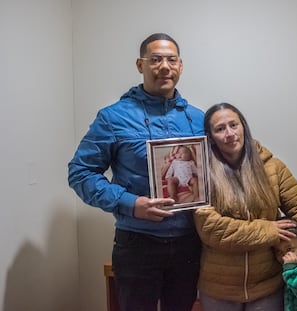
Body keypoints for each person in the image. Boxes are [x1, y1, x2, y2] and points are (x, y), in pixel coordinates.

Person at [68, 33, 204, 311]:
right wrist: (130, 204)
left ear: (180, 66)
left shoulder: (199, 118)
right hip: (137, 243)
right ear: (140, 65)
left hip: (190, 243)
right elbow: (80, 173)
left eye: (171, 59)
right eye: (155, 60)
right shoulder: (113, 117)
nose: (164, 66)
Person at [193, 103, 297, 311]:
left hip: (267, 286)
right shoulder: (201, 174)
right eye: (220, 129)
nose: (229, 134)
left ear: (244, 126)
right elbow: (211, 229)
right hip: (219, 290)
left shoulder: (273, 167)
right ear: (211, 137)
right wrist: (268, 229)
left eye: (234, 125)